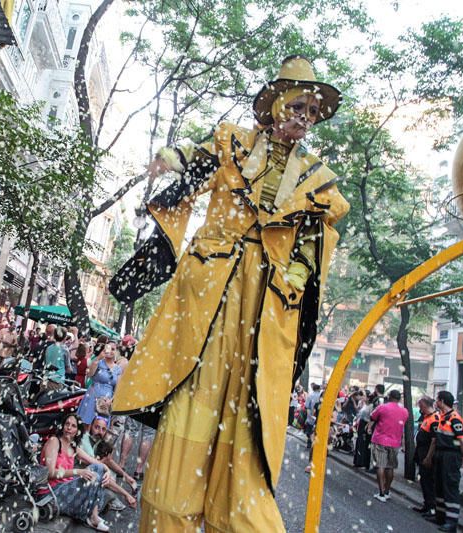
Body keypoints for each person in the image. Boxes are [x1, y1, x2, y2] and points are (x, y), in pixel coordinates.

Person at [108, 56, 348, 532]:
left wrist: (295, 276)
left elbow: (313, 245)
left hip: (266, 310)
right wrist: (171, 158)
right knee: (193, 407)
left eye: (312, 112)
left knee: (249, 420)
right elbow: (191, 164)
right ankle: (172, 511)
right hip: (208, 296)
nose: (304, 117)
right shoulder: (231, 142)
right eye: (298, 105)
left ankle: (234, 513)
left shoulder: (319, 180)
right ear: (277, 102)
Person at [39, 414, 112, 531]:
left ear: (77, 431)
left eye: (73, 426)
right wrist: (77, 472)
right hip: (50, 493)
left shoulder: (73, 447)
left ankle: (93, 515)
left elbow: (97, 464)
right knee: (92, 474)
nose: (69, 428)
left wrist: (107, 471)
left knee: (96, 469)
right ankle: (92, 516)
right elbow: (50, 473)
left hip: (66, 489)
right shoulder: (54, 441)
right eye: (67, 424)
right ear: (62, 426)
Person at [423, 390, 463, 532]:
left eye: (437, 400)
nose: (436, 402)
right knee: (440, 486)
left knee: (450, 488)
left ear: (442, 401)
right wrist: (430, 456)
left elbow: (462, 441)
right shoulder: (443, 417)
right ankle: (440, 516)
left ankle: (451, 522)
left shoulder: (455, 418)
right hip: (441, 454)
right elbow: (436, 440)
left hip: (451, 456)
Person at [78, 416, 138, 510]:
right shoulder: (85, 440)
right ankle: (113, 499)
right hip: (80, 478)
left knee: (107, 465)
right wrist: (126, 495)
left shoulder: (96, 441)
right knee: (105, 477)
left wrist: (127, 478)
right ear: (90, 427)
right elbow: (97, 466)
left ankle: (124, 485)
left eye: (103, 429)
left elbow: (107, 460)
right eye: (96, 427)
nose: (99, 431)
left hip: (88, 476)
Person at [369, 389, 408, 502]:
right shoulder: (404, 411)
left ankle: (381, 493)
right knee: (390, 467)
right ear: (399, 398)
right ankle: (387, 491)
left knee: (380, 466)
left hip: (380, 439)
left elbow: (372, 417)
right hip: (395, 442)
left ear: (389, 396)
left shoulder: (383, 407)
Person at [78, 342, 122, 425]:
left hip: (105, 401)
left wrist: (111, 400)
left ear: (117, 352)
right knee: (86, 423)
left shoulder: (118, 369)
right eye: (108, 348)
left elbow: (117, 389)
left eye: (113, 349)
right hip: (92, 396)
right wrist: (98, 358)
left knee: (100, 425)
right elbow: (90, 374)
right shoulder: (98, 362)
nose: (110, 351)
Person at [412, 395, 439, 518]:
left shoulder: (434, 419)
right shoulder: (427, 417)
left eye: (420, 406)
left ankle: (432, 507)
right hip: (422, 452)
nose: (420, 409)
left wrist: (428, 457)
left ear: (424, 405)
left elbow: (434, 440)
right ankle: (427, 505)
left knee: (429, 481)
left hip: (427, 454)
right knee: (424, 480)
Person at [43, 326, 68, 392]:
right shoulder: (64, 349)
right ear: (65, 337)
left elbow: (46, 362)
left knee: (42, 400)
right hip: (57, 381)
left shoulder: (49, 348)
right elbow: (68, 367)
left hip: (46, 379)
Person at [353, 394, 373, 469]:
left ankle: (362, 462)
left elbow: (371, 418)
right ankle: (357, 461)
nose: (363, 397)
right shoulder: (364, 405)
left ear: (368, 398)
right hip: (360, 424)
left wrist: (368, 426)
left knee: (363, 443)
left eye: (364, 396)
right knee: (359, 442)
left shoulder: (371, 406)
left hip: (365, 424)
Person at [305, 383, 323, 448]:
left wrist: (308, 414)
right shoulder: (321, 396)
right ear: (318, 389)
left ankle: (309, 442)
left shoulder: (310, 395)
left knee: (310, 428)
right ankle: (315, 442)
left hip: (311, 414)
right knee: (317, 429)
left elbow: (307, 406)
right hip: (319, 415)